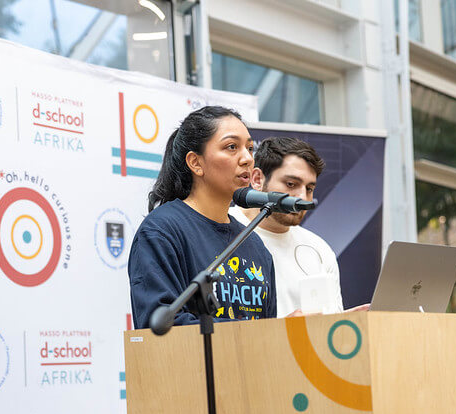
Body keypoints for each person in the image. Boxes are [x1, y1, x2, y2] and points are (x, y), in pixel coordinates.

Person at [128, 106, 276, 329]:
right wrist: (258, 333)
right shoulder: (162, 231)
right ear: (195, 163)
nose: (247, 158)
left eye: (249, 148)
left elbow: (268, 331)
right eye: (231, 147)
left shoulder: (254, 244)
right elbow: (160, 327)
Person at [229, 136, 363, 317]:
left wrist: (348, 322)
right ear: (258, 179)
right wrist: (284, 330)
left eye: (309, 188)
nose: (302, 197)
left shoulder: (319, 249)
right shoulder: (222, 230)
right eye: (291, 184)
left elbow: (330, 326)